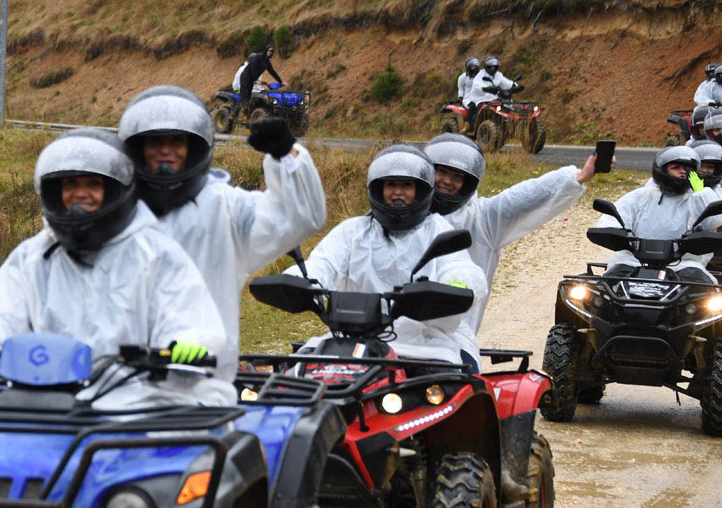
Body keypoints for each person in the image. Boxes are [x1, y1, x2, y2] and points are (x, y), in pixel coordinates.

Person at [0, 128, 234, 407]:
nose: (80, 193)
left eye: (93, 183)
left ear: (115, 190)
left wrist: (184, 349)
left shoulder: (156, 255)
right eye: (70, 184)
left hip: (135, 408)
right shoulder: (32, 257)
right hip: (42, 405)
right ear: (57, 192)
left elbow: (192, 323)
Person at [117, 85, 327, 386]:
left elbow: (300, 217)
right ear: (137, 148)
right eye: (154, 141)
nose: (166, 150)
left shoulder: (225, 208)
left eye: (177, 140)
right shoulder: (113, 212)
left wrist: (286, 154)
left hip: (203, 384)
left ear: (195, 146)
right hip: (119, 385)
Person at [285, 145, 487, 367]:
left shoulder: (438, 230)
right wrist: (297, 280)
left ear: (421, 189)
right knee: (296, 375)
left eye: (407, 185)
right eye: (391, 184)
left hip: (427, 342)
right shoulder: (353, 231)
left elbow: (459, 267)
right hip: (352, 340)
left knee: (462, 384)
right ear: (378, 188)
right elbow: (324, 264)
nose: (398, 192)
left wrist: (455, 285)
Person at [424, 133, 595, 365]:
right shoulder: (402, 219)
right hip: (396, 339)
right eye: (441, 171)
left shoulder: (482, 220)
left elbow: (524, 196)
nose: (446, 180)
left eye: (457, 176)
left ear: (469, 182)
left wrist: (576, 178)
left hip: (454, 344)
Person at [598, 145, 716, 284]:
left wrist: (701, 192)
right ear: (662, 170)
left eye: (687, 169)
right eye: (676, 168)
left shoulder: (696, 199)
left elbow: (714, 221)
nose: (683, 172)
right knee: (603, 290)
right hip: (633, 261)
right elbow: (614, 217)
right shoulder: (641, 195)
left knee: (705, 295)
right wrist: (615, 233)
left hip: (683, 264)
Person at [238, 45, 283, 115]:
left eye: (271, 52)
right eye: (269, 51)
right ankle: (236, 114)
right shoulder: (257, 57)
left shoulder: (267, 62)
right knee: (244, 96)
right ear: (265, 50)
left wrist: (281, 81)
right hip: (245, 77)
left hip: (252, 79)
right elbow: (252, 69)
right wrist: (256, 79)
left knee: (248, 96)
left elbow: (272, 72)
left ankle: (245, 113)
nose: (270, 53)